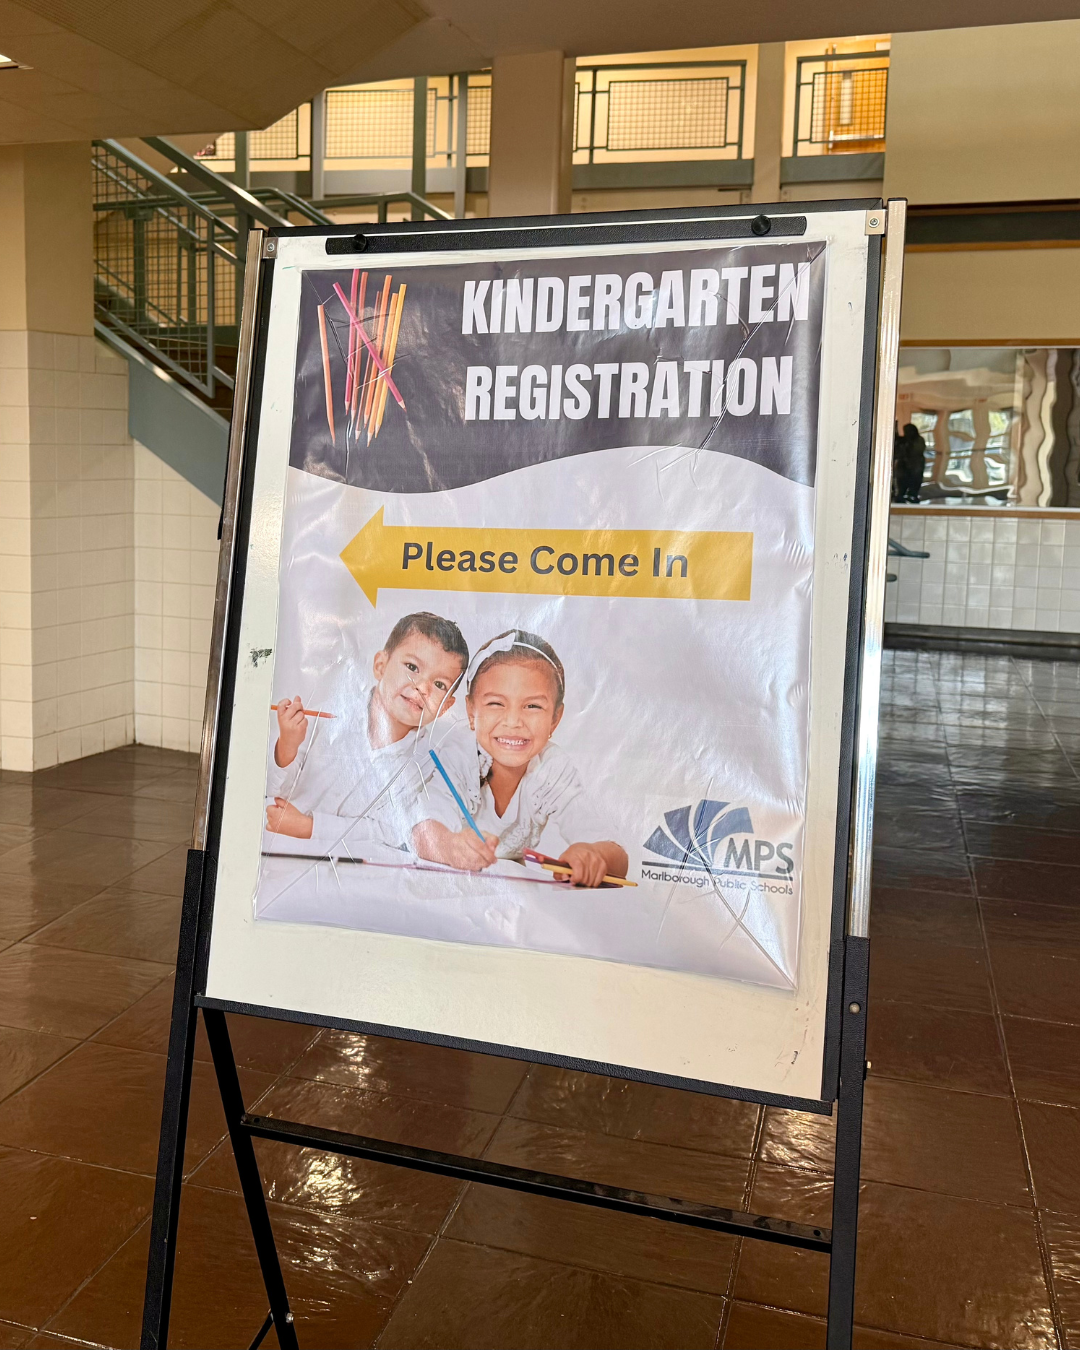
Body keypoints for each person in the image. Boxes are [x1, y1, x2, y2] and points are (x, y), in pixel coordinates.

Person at [412, 630, 628, 888]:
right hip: (441, 884)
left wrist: (594, 856)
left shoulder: (552, 767)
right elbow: (422, 830)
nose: (513, 722)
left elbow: (618, 857)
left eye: (532, 706)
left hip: (504, 898)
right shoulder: (458, 754)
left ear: (555, 719)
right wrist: (449, 846)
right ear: (471, 711)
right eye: (495, 704)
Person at [265, 611, 469, 849]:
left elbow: (392, 831)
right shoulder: (329, 716)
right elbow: (270, 790)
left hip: (351, 871)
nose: (422, 687)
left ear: (446, 706)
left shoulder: (426, 765)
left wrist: (311, 827)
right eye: (412, 667)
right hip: (277, 849)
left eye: (439, 684)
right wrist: (287, 745)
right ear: (380, 665)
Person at [894, 422, 927, 502]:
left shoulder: (919, 440)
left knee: (914, 484)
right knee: (902, 485)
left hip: (915, 468)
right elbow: (897, 452)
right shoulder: (903, 441)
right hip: (904, 468)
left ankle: (912, 496)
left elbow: (915, 451)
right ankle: (901, 496)